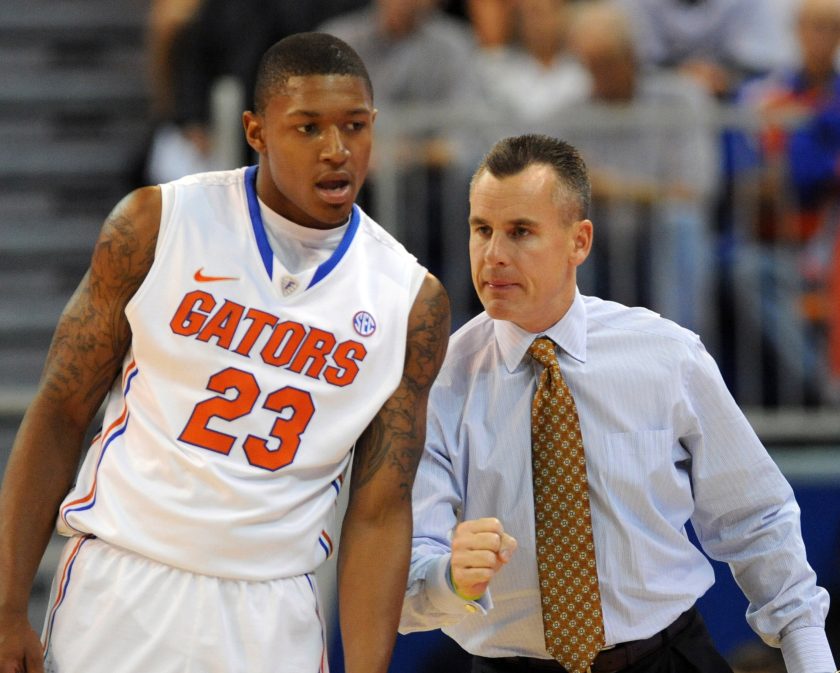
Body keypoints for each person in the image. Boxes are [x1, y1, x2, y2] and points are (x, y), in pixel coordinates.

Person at [0, 32, 450, 673]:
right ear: (257, 130)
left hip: (272, 611)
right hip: (125, 584)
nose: (336, 150)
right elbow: (60, 409)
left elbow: (379, 511)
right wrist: (6, 606)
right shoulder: (157, 223)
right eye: (308, 128)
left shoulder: (410, 301)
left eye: (354, 127)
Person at [399, 134, 836, 673]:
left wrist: (811, 657)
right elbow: (404, 574)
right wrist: (448, 578)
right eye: (481, 230)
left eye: (520, 232)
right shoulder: (436, 383)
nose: (494, 255)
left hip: (668, 657)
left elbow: (755, 516)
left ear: (579, 241)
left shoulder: (667, 356)